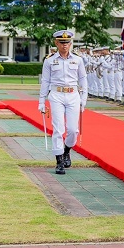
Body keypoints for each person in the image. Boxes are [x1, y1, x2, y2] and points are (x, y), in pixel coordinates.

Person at [38, 30, 88, 174]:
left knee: (73, 130)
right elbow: (45, 81)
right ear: (56, 43)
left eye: (67, 42)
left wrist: (83, 99)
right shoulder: (49, 60)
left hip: (73, 95)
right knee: (58, 129)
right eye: (61, 42)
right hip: (56, 95)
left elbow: (83, 79)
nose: (64, 45)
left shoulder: (78, 60)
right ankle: (59, 161)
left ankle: (67, 150)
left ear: (70, 43)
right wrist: (41, 101)